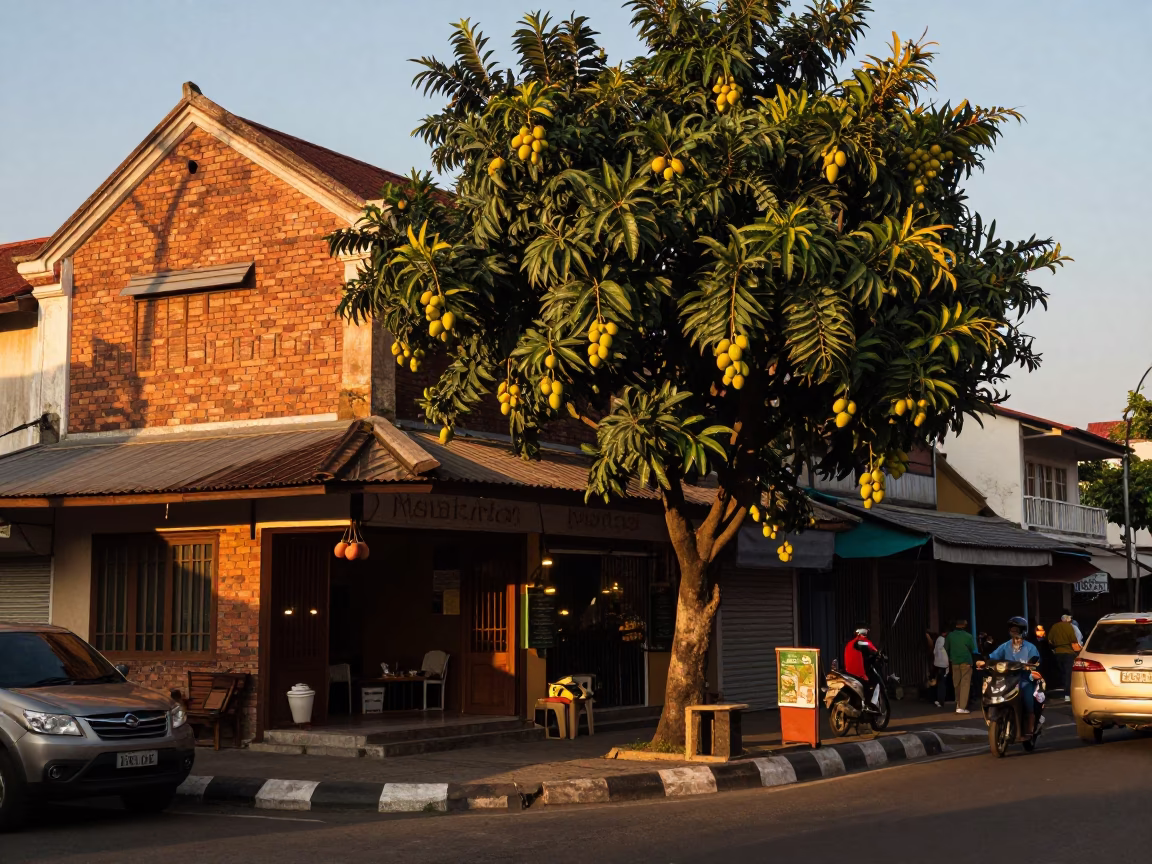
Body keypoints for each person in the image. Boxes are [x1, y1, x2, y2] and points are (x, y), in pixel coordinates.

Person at [982, 617, 1043, 736]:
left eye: (1017, 630)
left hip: (1023, 678)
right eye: (1012, 630)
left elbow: (1036, 660)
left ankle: (1030, 724)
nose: (1014, 632)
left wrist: (1031, 665)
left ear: (1023, 631)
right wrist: (984, 662)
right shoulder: (1005, 646)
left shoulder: (1030, 647)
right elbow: (993, 656)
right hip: (1006, 678)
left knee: (1026, 694)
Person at [944, 619, 977, 714]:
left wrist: (951, 657)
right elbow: (973, 648)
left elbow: (946, 648)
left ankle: (958, 704)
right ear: (964, 626)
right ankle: (962, 707)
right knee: (965, 684)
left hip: (954, 662)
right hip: (966, 662)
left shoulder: (950, 636)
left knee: (956, 684)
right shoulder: (968, 636)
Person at [843, 626, 882, 705]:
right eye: (864, 635)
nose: (865, 637)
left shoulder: (851, 643)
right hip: (856, 672)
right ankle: (867, 705)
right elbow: (869, 646)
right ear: (859, 634)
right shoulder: (859, 642)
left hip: (849, 671)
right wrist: (877, 652)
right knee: (868, 685)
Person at [1048, 611, 1079, 701]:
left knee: (1062, 673)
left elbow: (1050, 640)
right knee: (1068, 674)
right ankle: (1067, 695)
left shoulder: (1054, 627)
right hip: (1069, 653)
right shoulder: (1069, 627)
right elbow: (1073, 640)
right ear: (1066, 618)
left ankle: (1061, 693)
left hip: (1057, 653)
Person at [932, 629, 949, 708]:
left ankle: (939, 700)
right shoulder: (946, 641)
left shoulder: (938, 639)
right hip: (945, 664)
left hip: (937, 664)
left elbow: (934, 652)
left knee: (939, 683)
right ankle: (941, 701)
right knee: (943, 683)